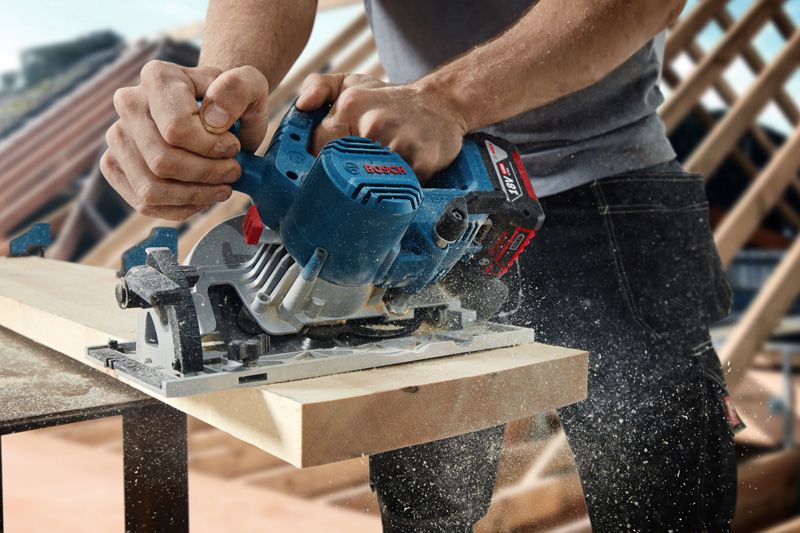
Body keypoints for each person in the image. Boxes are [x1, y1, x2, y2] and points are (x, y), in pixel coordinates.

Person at [101, 1, 738, 530]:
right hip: (429, 194)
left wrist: (447, 100)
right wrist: (220, 91)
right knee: (424, 510)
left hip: (603, 187)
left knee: (663, 494)